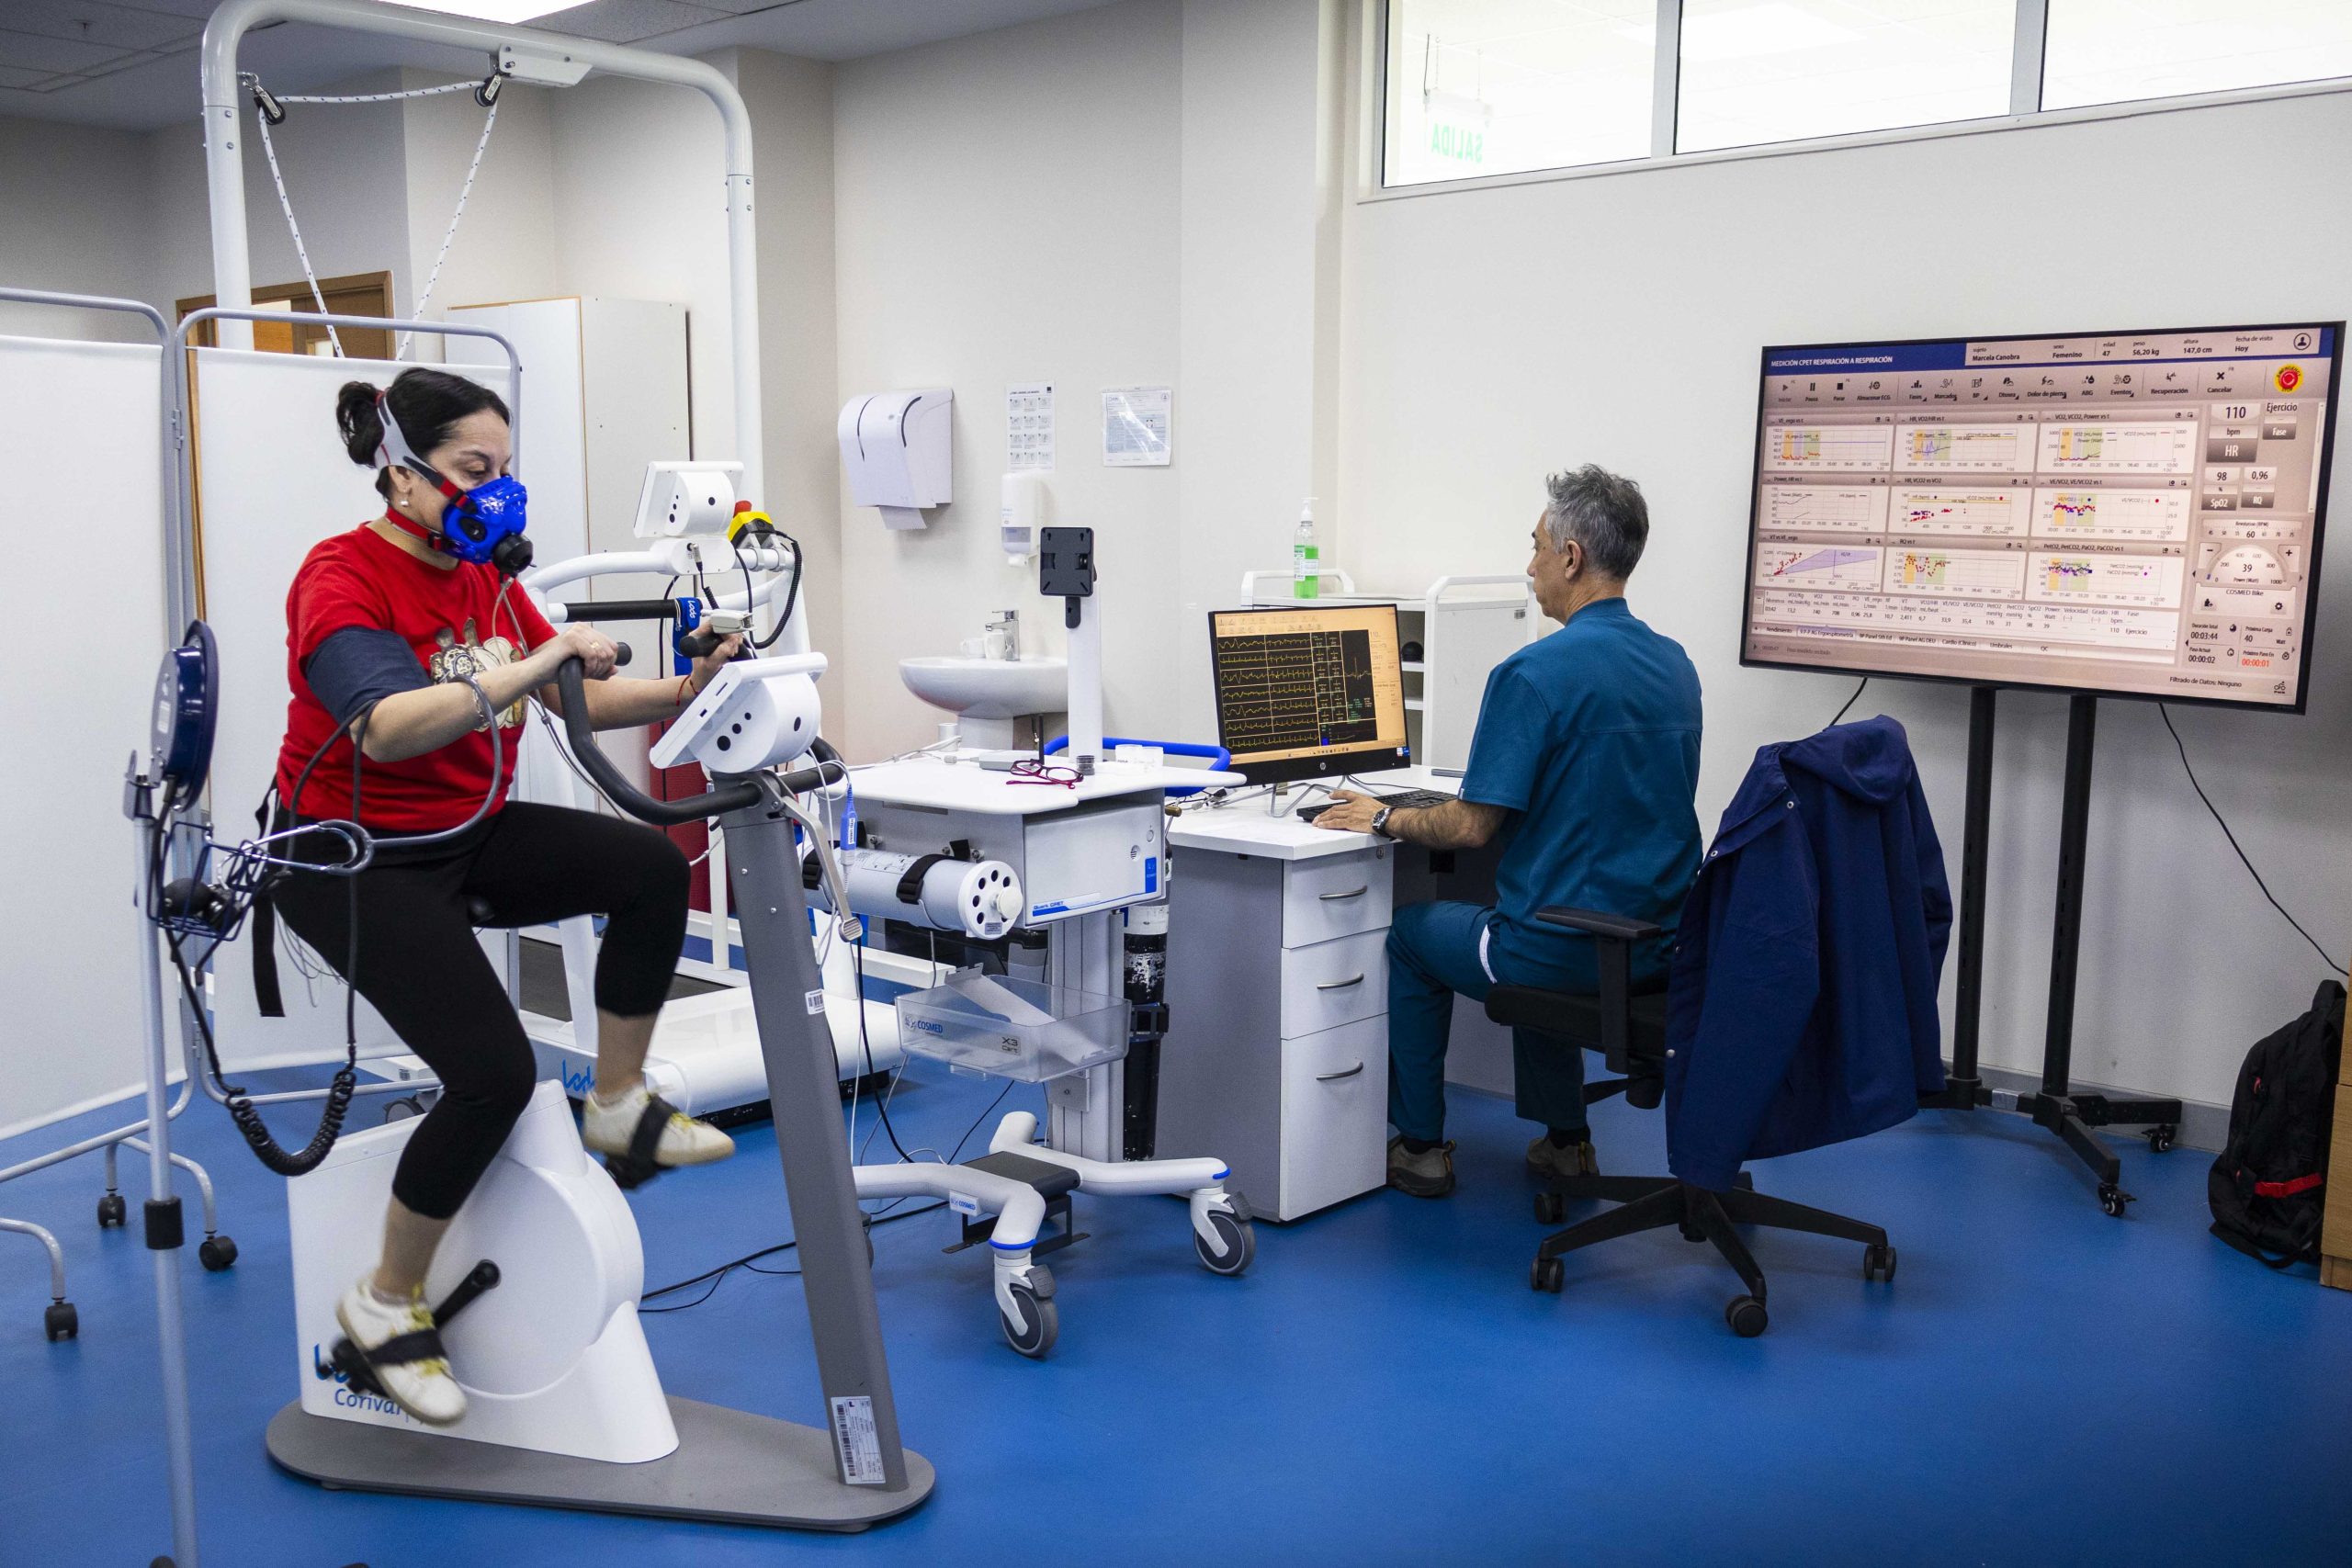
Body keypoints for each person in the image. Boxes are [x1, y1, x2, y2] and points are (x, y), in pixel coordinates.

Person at [267, 367, 743, 1426]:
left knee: (650, 869)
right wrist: (539, 662)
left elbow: (565, 682)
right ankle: (385, 1306)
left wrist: (685, 686)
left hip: (459, 832)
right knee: (492, 1074)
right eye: (473, 472)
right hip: (350, 858)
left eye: (506, 471)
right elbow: (387, 726)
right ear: (400, 473)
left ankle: (618, 1106)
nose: (497, 495)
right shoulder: (340, 579)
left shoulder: (480, 574)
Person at [1312, 465, 1702, 1197]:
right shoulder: (1675, 665)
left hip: (1561, 952)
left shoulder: (1532, 673)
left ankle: (1419, 1146)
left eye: (1535, 546)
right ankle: (1565, 1142)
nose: (1529, 567)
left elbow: (1468, 825)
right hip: (1661, 948)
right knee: (1542, 908)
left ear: (1572, 556)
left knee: (1417, 934)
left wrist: (1385, 816)